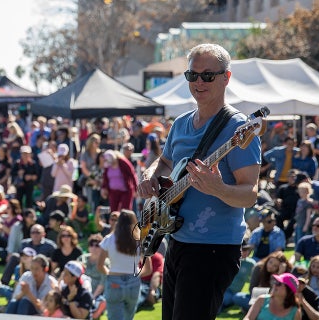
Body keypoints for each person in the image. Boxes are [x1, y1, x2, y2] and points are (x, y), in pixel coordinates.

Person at [139, 43, 261, 320]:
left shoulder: (238, 129)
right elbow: (165, 162)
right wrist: (149, 176)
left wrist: (219, 189)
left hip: (213, 248)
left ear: (226, 78)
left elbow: (250, 194)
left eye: (208, 75)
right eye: (192, 75)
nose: (199, 82)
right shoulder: (180, 123)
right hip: (176, 240)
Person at [97, 209, 140, 320]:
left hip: (114, 281)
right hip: (133, 281)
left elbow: (100, 265)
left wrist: (109, 274)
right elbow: (148, 269)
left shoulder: (109, 239)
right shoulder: (140, 240)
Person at [221, 242, 256, 311]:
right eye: (243, 250)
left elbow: (254, 279)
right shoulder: (229, 260)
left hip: (233, 292)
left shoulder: (251, 264)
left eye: (247, 250)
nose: (245, 252)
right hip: (223, 289)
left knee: (227, 300)